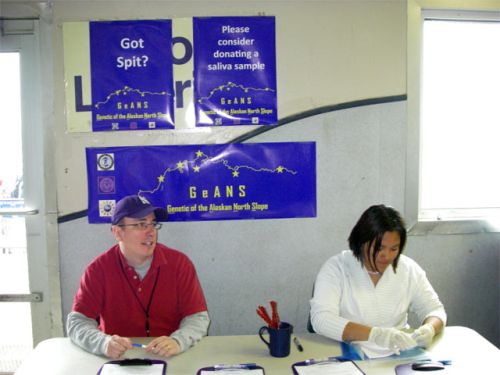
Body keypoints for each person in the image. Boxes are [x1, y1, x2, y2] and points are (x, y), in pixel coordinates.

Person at [67, 195, 210, 359]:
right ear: (118, 232)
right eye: (141, 224)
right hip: (119, 359)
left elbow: (198, 317)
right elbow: (77, 322)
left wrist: (178, 341)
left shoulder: (179, 264)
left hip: (170, 356)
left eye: (153, 224)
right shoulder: (98, 270)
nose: (151, 232)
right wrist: (103, 343)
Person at [310, 204, 446, 355]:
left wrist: (429, 329)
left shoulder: (408, 269)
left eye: (394, 249)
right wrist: (376, 335)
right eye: (379, 248)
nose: (386, 256)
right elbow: (321, 320)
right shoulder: (337, 268)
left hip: (398, 353)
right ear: (362, 241)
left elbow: (435, 310)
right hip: (349, 353)